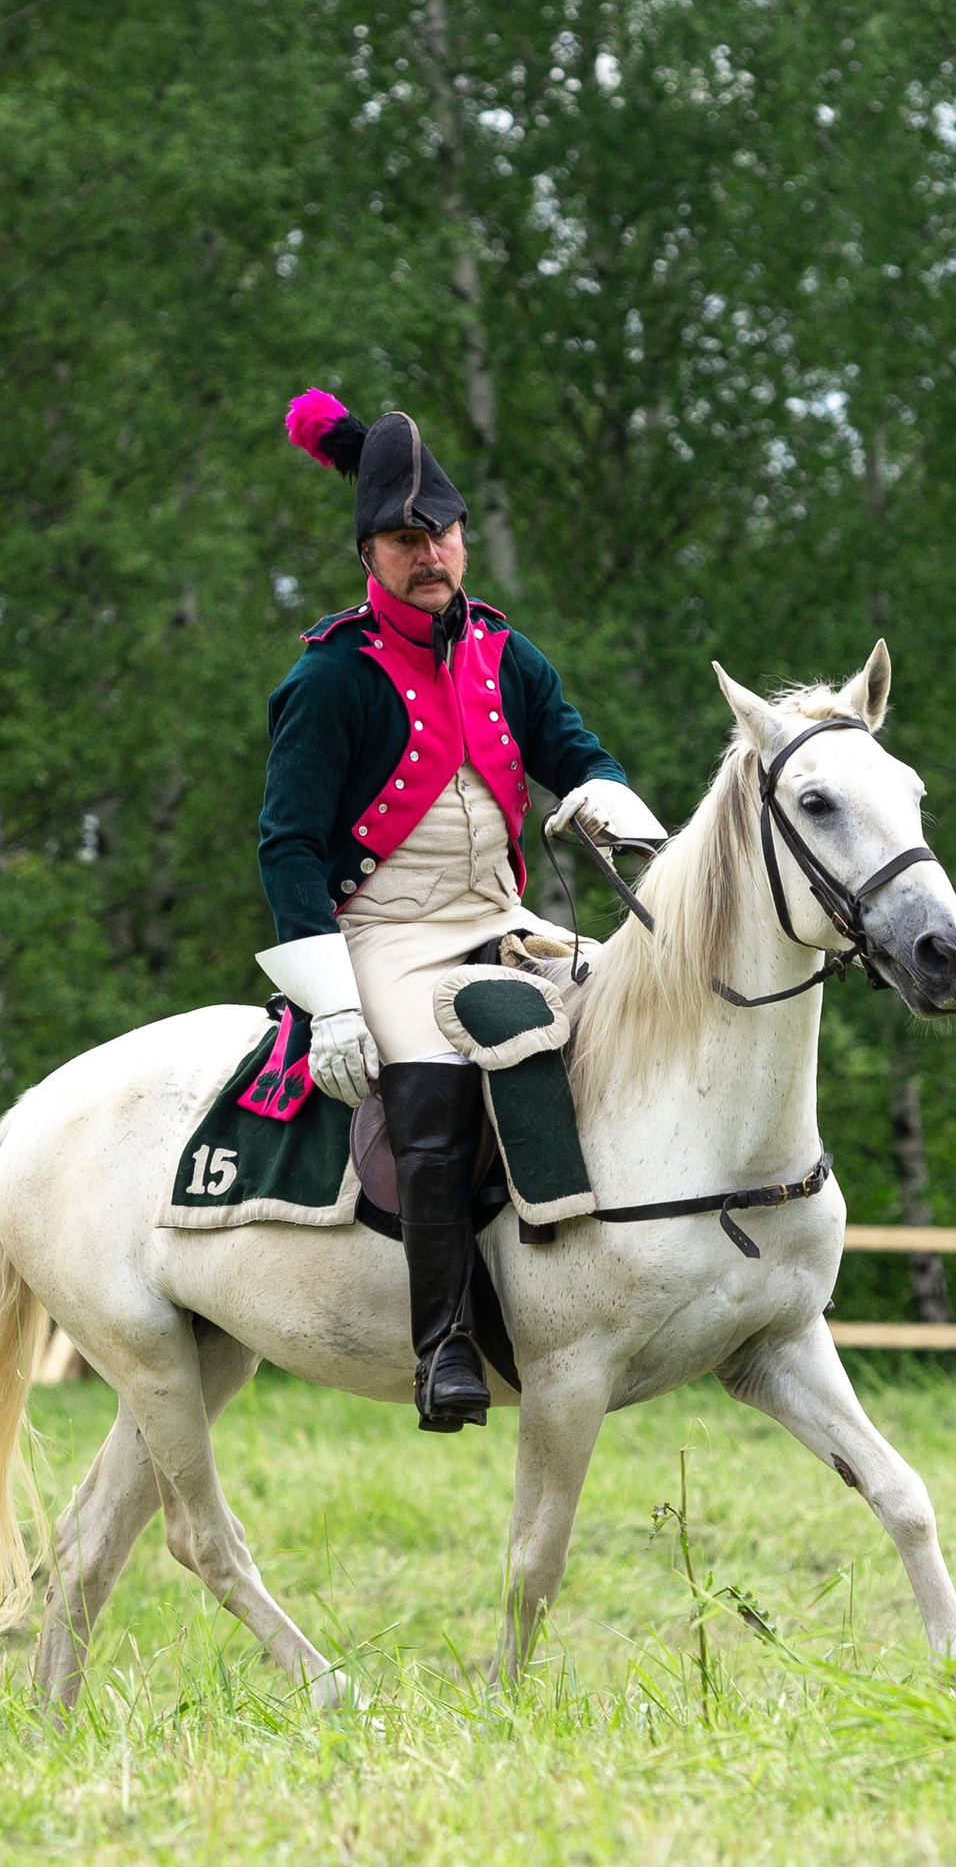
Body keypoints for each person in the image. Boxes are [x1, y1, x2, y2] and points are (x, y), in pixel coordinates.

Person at [257, 390, 665, 1432]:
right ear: (370, 553)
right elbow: (288, 847)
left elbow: (577, 751)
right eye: (405, 540)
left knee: (639, 1011)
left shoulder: (505, 652)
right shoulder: (331, 675)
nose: (429, 554)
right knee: (433, 1100)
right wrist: (332, 1001)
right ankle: (444, 1344)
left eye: (440, 533)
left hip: (501, 919)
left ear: (462, 537)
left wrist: (608, 801)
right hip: (384, 935)